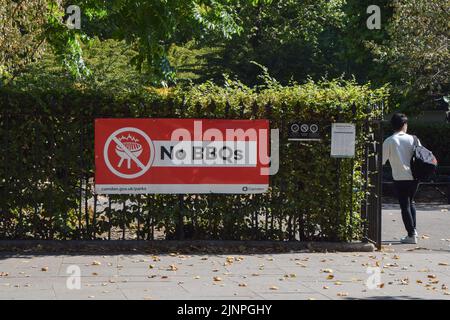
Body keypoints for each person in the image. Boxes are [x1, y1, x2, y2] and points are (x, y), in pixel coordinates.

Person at [383, 113, 420, 244]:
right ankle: (413, 231)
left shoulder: (389, 141)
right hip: (415, 176)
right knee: (411, 203)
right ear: (404, 125)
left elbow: (381, 160)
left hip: (399, 177)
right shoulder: (414, 139)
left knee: (405, 205)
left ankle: (411, 235)